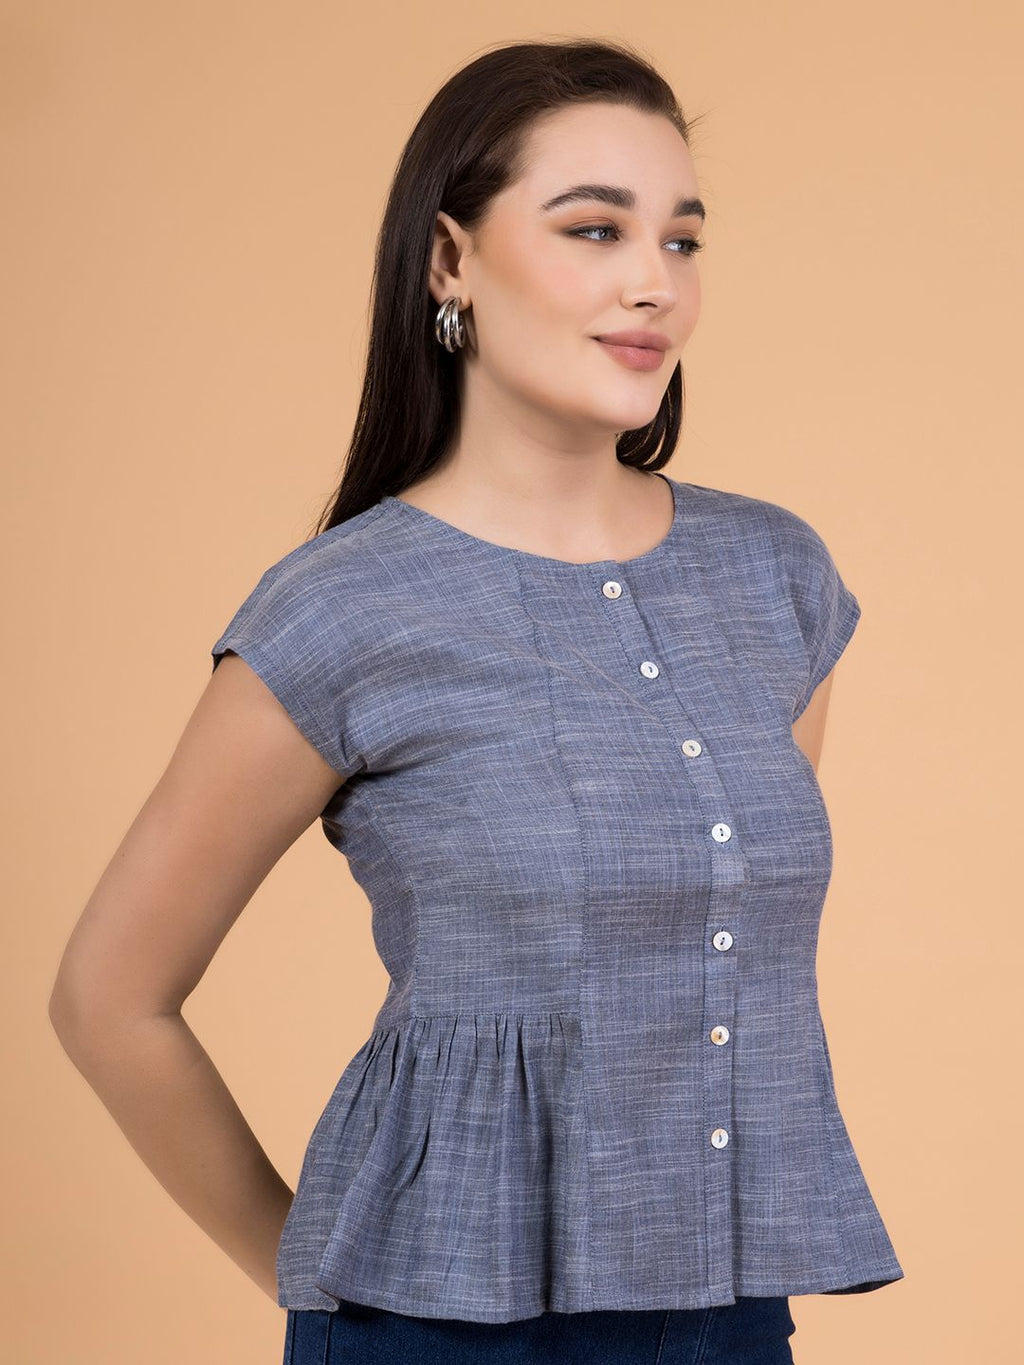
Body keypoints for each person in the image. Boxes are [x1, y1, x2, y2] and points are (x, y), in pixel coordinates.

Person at [48, 37, 904, 1365]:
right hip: (438, 1327)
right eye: (595, 229)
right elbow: (108, 996)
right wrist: (320, 1278)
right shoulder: (343, 608)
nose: (653, 281)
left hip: (730, 1314)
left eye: (681, 241)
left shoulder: (773, 576)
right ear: (451, 260)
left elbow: (714, 939)